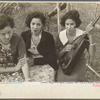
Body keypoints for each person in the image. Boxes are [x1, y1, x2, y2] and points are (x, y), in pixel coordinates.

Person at [56, 10, 96, 82]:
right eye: (67, 24)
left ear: (76, 24)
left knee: (73, 80)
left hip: (79, 61)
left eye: (72, 24)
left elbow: (92, 54)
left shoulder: (82, 35)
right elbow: (56, 55)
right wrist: (64, 50)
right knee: (60, 80)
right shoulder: (61, 35)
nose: (69, 27)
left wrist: (91, 35)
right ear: (64, 24)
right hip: (64, 62)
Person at [21, 12, 58, 82]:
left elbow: (52, 57)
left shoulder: (48, 37)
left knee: (45, 81)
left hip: (46, 64)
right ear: (29, 23)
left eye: (38, 24)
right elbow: (21, 53)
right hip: (29, 64)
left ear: (42, 25)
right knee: (27, 80)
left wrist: (35, 61)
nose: (35, 27)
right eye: (33, 24)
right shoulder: (24, 35)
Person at [0, 13, 31, 82]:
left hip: (14, 72)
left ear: (13, 29)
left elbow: (23, 60)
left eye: (9, 32)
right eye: (3, 34)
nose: (7, 36)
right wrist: (14, 68)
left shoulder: (18, 39)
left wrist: (27, 79)